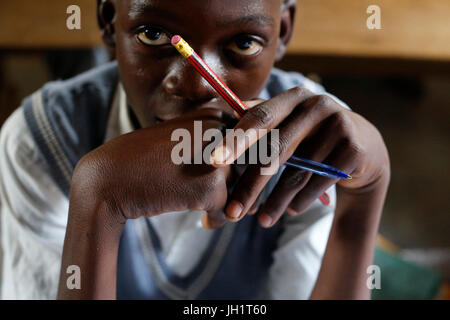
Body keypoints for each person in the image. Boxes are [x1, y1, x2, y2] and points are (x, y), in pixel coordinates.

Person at [0, 0, 390, 300]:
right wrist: (98, 197)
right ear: (107, 19)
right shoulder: (42, 143)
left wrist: (366, 197)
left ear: (283, 30)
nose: (200, 85)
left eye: (243, 42)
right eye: (152, 34)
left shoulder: (317, 144)